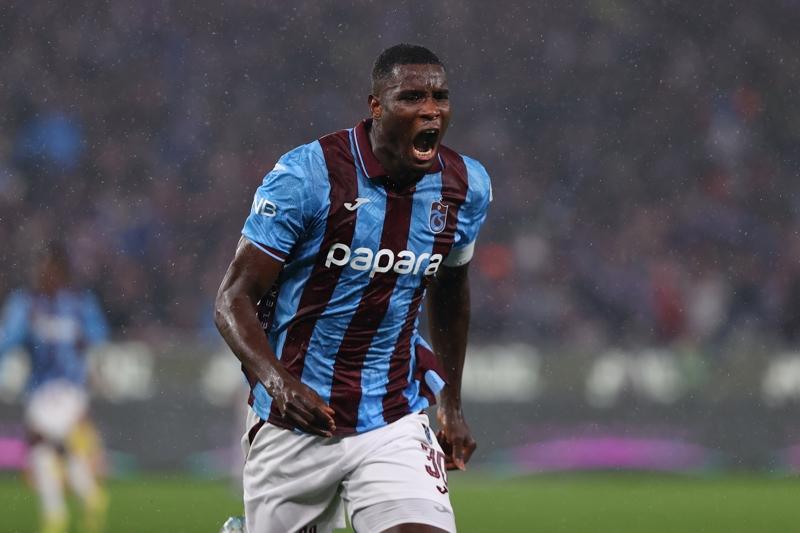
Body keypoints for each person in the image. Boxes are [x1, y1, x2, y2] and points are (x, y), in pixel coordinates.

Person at [215, 43, 492, 533]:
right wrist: (279, 383)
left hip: (393, 415)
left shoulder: (465, 187)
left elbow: (451, 293)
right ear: (376, 107)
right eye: (412, 97)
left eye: (440, 97)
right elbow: (232, 300)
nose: (431, 109)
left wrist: (450, 404)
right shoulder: (308, 176)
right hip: (295, 422)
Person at [0, 243, 109, 533]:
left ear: (62, 272)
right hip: (40, 389)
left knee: (39, 441)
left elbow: (99, 337)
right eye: (41, 268)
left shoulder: (79, 304)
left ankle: (58, 514)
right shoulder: (26, 304)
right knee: (48, 453)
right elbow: (6, 340)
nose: (45, 274)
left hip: (70, 389)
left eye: (50, 268)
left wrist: (89, 349)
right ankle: (82, 498)